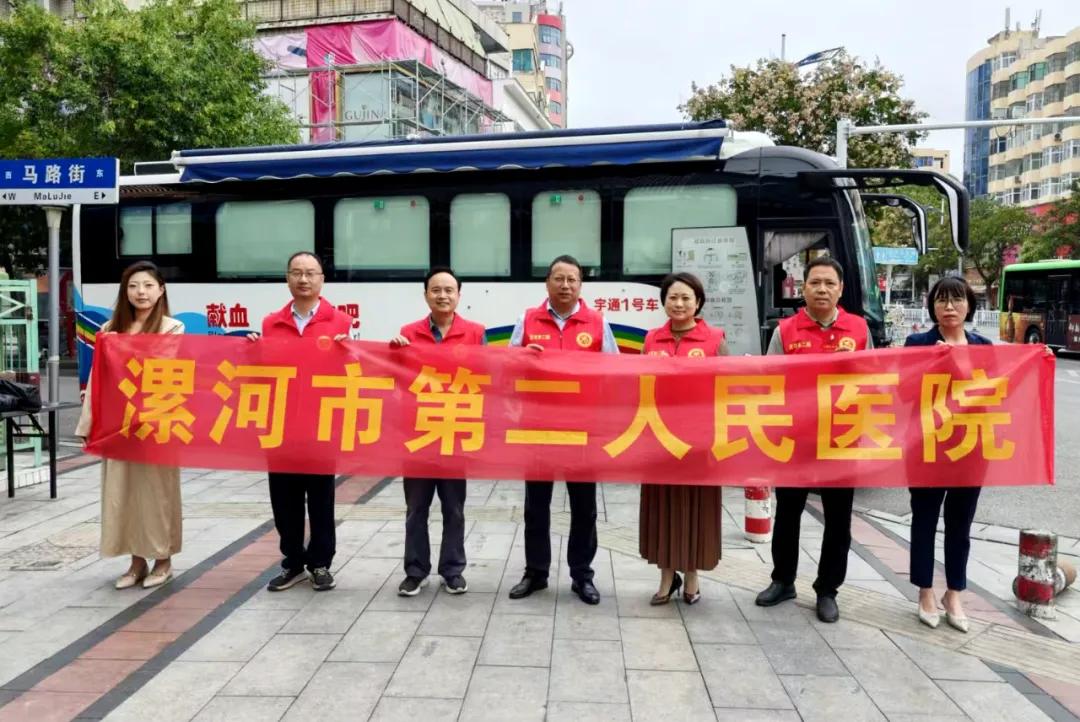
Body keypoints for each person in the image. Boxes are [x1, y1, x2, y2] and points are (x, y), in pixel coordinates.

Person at [754, 255, 871, 623]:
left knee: (838, 520)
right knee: (788, 513)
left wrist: (851, 368)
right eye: (815, 283)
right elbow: (770, 382)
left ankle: (827, 590)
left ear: (841, 289)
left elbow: (873, 380)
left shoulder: (859, 329)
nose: (822, 289)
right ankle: (783, 580)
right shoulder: (785, 331)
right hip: (796, 439)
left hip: (841, 438)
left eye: (829, 283)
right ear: (802, 288)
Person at [507, 254, 619, 605]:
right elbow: (507, 367)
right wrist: (524, 357)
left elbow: (614, 373)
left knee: (584, 508)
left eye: (572, 279)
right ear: (547, 283)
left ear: (581, 285)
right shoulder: (527, 319)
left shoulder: (597, 322)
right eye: (558, 278)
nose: (565, 285)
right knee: (536, 507)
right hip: (538, 428)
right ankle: (536, 573)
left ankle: (582, 576)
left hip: (582, 430)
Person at [75, 261, 183, 590]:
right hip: (118, 427)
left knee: (158, 496)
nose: (141, 292)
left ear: (161, 290)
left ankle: (163, 560)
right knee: (122, 494)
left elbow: (168, 372)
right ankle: (136, 562)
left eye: (148, 285)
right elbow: (98, 379)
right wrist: (89, 426)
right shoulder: (110, 328)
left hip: (155, 426)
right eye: (133, 286)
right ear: (125, 291)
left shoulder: (172, 328)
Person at [250, 251, 353, 592]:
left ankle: (320, 563)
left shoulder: (340, 323)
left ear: (322, 279)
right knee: (284, 501)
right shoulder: (271, 323)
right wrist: (252, 350)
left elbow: (352, 371)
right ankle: (293, 562)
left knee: (321, 499)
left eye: (311, 273)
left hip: (321, 425)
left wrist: (349, 353)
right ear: (287, 278)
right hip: (280, 425)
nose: (304, 279)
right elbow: (263, 372)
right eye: (297, 272)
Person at [389, 267, 486, 597]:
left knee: (453, 509)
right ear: (426, 295)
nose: (442, 295)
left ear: (459, 295)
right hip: (419, 434)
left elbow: (487, 376)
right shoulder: (408, 333)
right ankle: (415, 571)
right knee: (416, 508)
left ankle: (452, 571)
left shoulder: (475, 333)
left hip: (456, 432)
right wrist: (394, 353)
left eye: (448, 290)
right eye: (436, 290)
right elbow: (396, 380)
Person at [904, 276, 991, 633]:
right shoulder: (917, 344)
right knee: (924, 519)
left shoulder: (984, 347)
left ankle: (954, 593)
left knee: (960, 523)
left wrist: (1040, 358)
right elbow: (904, 392)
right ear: (932, 307)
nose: (949, 307)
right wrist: (934, 363)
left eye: (957, 300)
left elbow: (995, 393)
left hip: (970, 447)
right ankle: (925, 591)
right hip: (926, 446)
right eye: (942, 300)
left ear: (969, 306)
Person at [639, 272, 727, 605]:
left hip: (700, 441)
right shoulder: (651, 340)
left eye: (686, 298)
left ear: (698, 302)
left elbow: (730, 387)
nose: (679, 303)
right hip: (659, 439)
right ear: (664, 302)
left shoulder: (715, 340)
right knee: (662, 508)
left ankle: (691, 576)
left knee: (696, 508)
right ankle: (666, 577)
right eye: (672, 297)